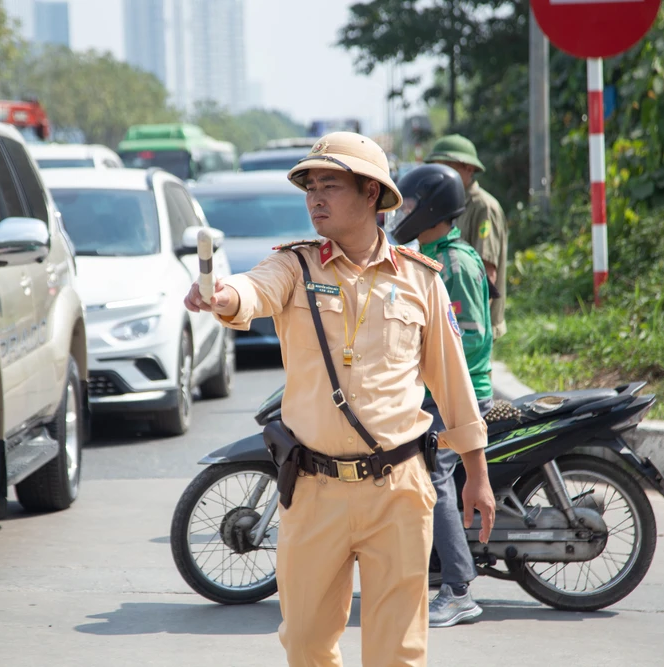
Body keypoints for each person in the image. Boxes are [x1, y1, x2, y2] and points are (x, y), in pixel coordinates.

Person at [184, 131, 495, 667]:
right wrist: (221, 295)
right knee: (305, 646)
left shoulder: (421, 281)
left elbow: (453, 383)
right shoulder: (294, 266)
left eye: (330, 184)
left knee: (396, 653)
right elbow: (250, 291)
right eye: (310, 186)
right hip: (312, 492)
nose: (316, 198)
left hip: (398, 491)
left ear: (371, 194)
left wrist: (478, 473)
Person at [386, 163, 494, 628]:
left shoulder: (454, 262)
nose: (403, 213)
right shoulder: (429, 255)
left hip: (456, 397)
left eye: (409, 205)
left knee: (433, 480)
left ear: (432, 208)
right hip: (438, 391)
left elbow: (466, 341)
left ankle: (457, 589)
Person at [425, 134, 508, 339]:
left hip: (472, 329)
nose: (439, 175)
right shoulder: (452, 204)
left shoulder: (483, 207)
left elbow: (488, 274)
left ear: (468, 169)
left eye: (446, 167)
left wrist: (475, 329)